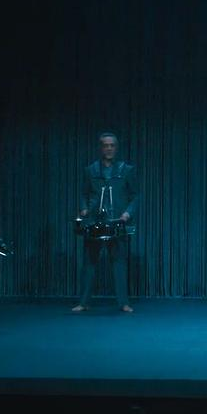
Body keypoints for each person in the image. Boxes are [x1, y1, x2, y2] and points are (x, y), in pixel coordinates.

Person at [73, 133, 138, 313]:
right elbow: (83, 193)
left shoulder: (126, 170)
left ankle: (123, 303)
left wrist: (127, 213)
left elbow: (135, 196)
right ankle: (83, 302)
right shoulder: (91, 170)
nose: (109, 148)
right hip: (94, 221)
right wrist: (84, 208)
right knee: (89, 262)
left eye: (112, 145)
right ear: (100, 148)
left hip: (117, 222)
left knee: (119, 262)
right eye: (105, 145)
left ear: (116, 148)